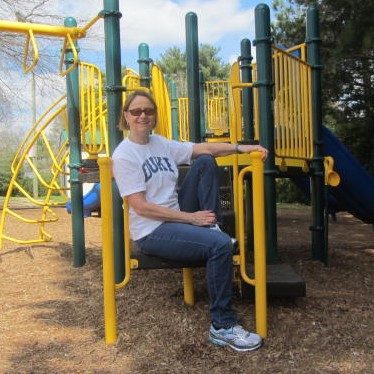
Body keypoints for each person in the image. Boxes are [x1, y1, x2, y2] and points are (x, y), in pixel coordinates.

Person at [112, 90, 268, 352]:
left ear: (155, 116)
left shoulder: (160, 143)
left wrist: (242, 147)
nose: (142, 116)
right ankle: (222, 326)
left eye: (148, 111)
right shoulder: (124, 155)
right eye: (136, 111)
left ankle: (212, 225)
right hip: (153, 230)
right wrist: (191, 218)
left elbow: (204, 148)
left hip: (177, 215)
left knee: (205, 160)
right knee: (220, 245)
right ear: (126, 116)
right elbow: (141, 207)